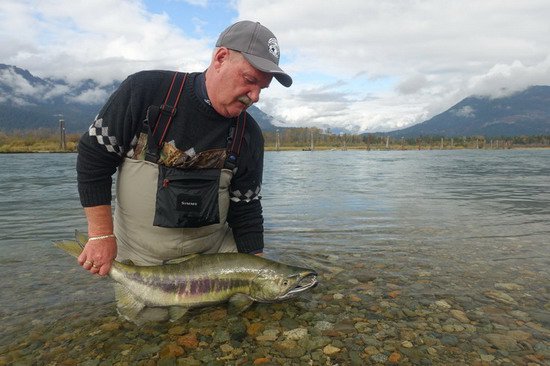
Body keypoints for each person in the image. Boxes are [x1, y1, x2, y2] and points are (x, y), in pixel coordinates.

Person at [75, 20, 292, 322]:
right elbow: (93, 157)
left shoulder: (250, 134)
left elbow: (246, 206)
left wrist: (258, 270)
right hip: (144, 253)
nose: (254, 96)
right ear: (220, 58)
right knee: (150, 324)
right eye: (249, 80)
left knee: (256, 306)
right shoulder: (145, 91)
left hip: (215, 252)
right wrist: (99, 236)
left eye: (262, 88)